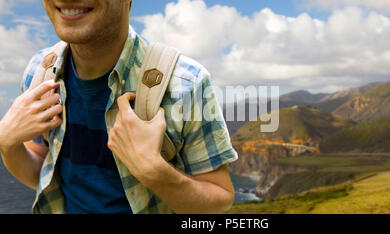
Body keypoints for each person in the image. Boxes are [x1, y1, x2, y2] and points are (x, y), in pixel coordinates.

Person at [0, 0, 238, 214]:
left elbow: (219, 201)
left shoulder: (186, 84)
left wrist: (155, 173)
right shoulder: (39, 72)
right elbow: (42, 171)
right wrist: (7, 144)